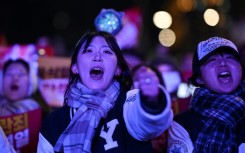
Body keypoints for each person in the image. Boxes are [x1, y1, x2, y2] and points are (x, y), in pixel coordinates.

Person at [37, 31, 173, 153]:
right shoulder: (54, 122)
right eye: (88, 51)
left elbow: (148, 122)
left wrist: (151, 101)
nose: (97, 57)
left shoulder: (128, 103)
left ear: (117, 70)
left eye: (106, 52)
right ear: (75, 68)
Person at [167, 36, 245, 153]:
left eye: (230, 58)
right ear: (199, 78)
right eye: (212, 60)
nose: (223, 63)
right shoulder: (183, 124)